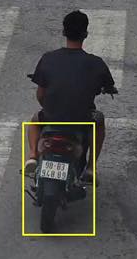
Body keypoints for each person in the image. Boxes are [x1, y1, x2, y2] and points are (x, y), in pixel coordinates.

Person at [24, 10, 117, 178]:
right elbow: (108, 85)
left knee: (34, 120)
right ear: (86, 34)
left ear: (63, 32)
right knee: (99, 120)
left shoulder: (48, 58)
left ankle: (32, 156)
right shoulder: (96, 63)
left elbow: (40, 95)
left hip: (52, 116)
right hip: (82, 118)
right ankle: (90, 168)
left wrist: (51, 108)